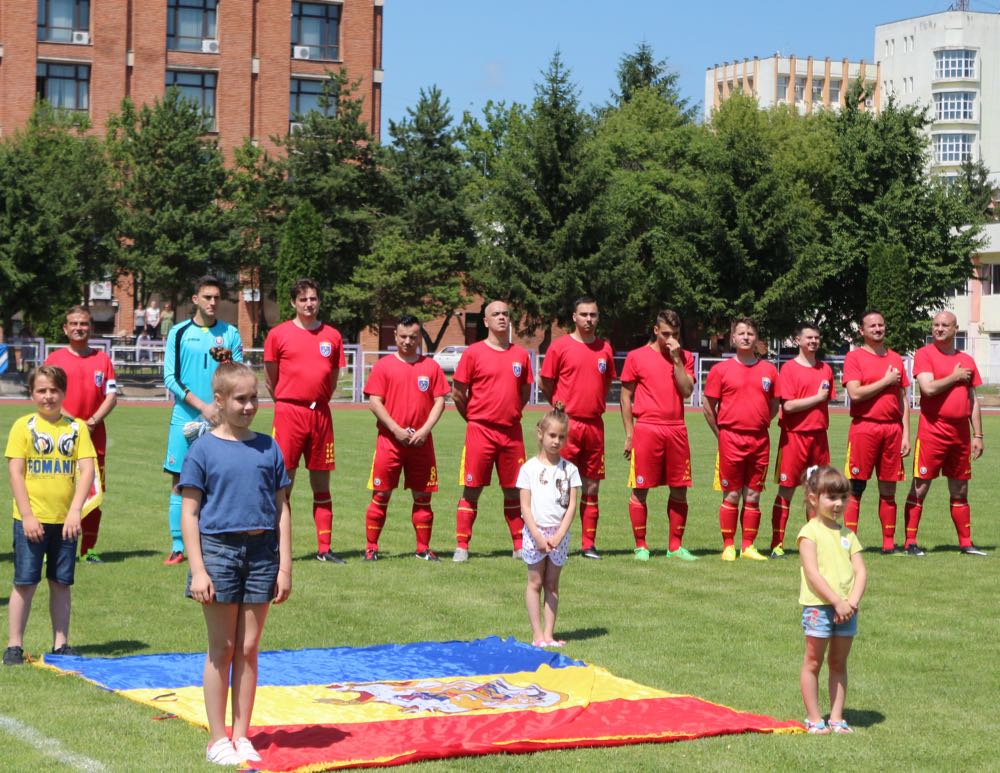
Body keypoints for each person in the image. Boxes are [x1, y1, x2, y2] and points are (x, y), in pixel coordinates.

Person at [179, 361, 292, 765]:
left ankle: (242, 735)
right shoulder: (203, 449)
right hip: (218, 554)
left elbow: (281, 509)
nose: (249, 406)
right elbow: (189, 513)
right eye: (241, 399)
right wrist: (198, 569)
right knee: (221, 648)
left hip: (262, 555)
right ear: (221, 401)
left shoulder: (269, 447)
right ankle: (217, 737)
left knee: (248, 647)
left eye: (254, 398)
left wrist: (284, 566)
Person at [4, 365, 97, 666]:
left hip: (65, 522)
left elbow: (87, 471)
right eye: (42, 390)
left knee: (61, 582)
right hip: (31, 520)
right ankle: (14, 645)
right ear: (32, 394)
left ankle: (61, 644)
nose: (48, 396)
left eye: (54, 390)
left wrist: (75, 512)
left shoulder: (76, 428)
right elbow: (16, 472)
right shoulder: (23, 426)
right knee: (25, 582)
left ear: (63, 393)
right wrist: (28, 516)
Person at [162, 276, 244, 565]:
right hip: (185, 417)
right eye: (207, 297)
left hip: (220, 420)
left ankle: (214, 541)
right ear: (195, 300)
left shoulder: (230, 333)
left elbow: (239, 375)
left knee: (219, 481)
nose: (212, 303)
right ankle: (178, 545)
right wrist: (201, 406)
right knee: (180, 481)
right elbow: (170, 377)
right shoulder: (179, 332)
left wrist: (219, 408)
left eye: (216, 297)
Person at [264, 279, 346, 563]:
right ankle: (277, 548)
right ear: (293, 304)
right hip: (289, 414)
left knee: (322, 484)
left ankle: (324, 549)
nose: (309, 304)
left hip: (320, 414)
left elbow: (332, 377)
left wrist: (315, 400)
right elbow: (270, 378)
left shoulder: (332, 336)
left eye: (313, 298)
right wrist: (290, 401)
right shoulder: (278, 335)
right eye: (303, 300)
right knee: (283, 485)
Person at [452, 300, 534, 562]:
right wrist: (474, 418)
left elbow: (524, 392)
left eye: (505, 314)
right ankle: (462, 546)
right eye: (495, 314)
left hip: (511, 433)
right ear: (485, 321)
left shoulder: (520, 355)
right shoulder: (473, 353)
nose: (501, 317)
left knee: (514, 490)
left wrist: (510, 413)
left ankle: (519, 545)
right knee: (472, 488)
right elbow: (457, 393)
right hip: (480, 431)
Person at [362, 316, 450, 561]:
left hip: (421, 443)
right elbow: (374, 402)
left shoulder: (431, 367)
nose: (408, 341)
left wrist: (424, 430)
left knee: (423, 497)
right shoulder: (383, 366)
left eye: (413, 337)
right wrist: (396, 430)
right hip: (390, 442)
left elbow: (440, 400)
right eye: (403, 336)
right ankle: (371, 548)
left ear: (419, 336)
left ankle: (423, 548)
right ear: (395, 336)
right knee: (380, 495)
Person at [902, 311, 987, 556]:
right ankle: (910, 542)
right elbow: (928, 389)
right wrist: (955, 376)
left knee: (960, 489)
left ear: (955, 329)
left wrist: (978, 435)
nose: (938, 329)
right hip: (933, 431)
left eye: (944, 325)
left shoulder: (967, 360)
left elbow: (972, 399)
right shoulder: (924, 354)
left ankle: (966, 543)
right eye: (936, 324)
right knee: (921, 486)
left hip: (960, 434)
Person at [538, 298, 616, 559]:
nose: (588, 319)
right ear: (574, 317)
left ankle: (588, 544)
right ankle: (556, 540)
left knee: (592, 485)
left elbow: (605, 384)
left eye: (593, 315)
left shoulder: (605, 348)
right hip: (567, 425)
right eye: (583, 314)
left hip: (594, 425)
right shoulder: (560, 346)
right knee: (560, 485)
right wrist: (558, 405)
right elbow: (546, 381)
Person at [619, 310, 696, 561]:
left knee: (680, 489)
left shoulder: (684, 357)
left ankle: (675, 547)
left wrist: (677, 361)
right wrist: (630, 433)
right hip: (647, 428)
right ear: (655, 331)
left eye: (675, 334)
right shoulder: (636, 357)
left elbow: (686, 391)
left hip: (676, 428)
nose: (670, 339)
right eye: (665, 334)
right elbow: (625, 397)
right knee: (640, 488)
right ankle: (641, 545)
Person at [797, 465, 867, 735]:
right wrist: (836, 602)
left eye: (843, 498)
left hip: (847, 609)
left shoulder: (848, 535)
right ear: (814, 499)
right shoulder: (809, 533)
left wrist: (851, 602)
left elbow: (861, 570)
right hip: (819, 607)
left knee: (838, 663)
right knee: (813, 662)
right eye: (831, 497)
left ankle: (837, 718)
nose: (838, 504)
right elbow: (813, 574)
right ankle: (814, 718)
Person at [44, 306, 117, 563]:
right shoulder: (54, 361)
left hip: (94, 440)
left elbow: (112, 396)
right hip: (59, 439)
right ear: (65, 328)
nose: (79, 328)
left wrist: (93, 420)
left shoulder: (103, 360)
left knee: (93, 494)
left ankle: (88, 549)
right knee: (56, 492)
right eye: (73, 323)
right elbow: (47, 396)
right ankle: (53, 548)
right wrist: (73, 422)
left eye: (84, 324)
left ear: (91, 328)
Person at [703, 317, 779, 561]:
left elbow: (775, 404)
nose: (746, 337)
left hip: (759, 440)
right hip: (730, 439)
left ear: (756, 339)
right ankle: (728, 545)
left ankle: (748, 546)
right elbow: (708, 406)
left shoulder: (769, 370)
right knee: (732, 494)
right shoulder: (720, 370)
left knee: (754, 495)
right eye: (741, 333)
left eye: (750, 333)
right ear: (733, 338)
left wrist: (759, 420)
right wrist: (721, 433)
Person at [841, 310, 910, 554]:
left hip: (892, 430)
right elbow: (855, 394)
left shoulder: (896, 358)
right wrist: (886, 379)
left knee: (888, 489)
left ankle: (888, 544)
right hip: (864, 428)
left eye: (881, 324)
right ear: (862, 330)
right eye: (872, 326)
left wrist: (906, 434)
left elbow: (902, 400)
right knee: (855, 487)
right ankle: (849, 543)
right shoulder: (854, 358)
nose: (878, 329)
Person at [769, 323, 835, 558]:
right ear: (798, 340)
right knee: (787, 490)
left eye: (817, 337)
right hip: (794, 438)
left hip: (819, 437)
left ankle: (815, 543)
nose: (814, 341)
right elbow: (788, 406)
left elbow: (827, 402)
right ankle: (777, 544)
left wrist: (819, 401)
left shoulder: (825, 369)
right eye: (809, 337)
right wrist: (816, 398)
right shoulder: (788, 369)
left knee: (817, 492)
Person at [517, 404, 580, 648]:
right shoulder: (529, 469)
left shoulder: (570, 470)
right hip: (536, 534)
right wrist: (538, 536)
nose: (556, 441)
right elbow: (525, 506)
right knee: (535, 583)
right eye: (552, 435)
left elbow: (572, 506)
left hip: (559, 536)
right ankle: (537, 635)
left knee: (552, 585)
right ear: (541, 434)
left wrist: (560, 534)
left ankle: (549, 634)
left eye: (561, 437)